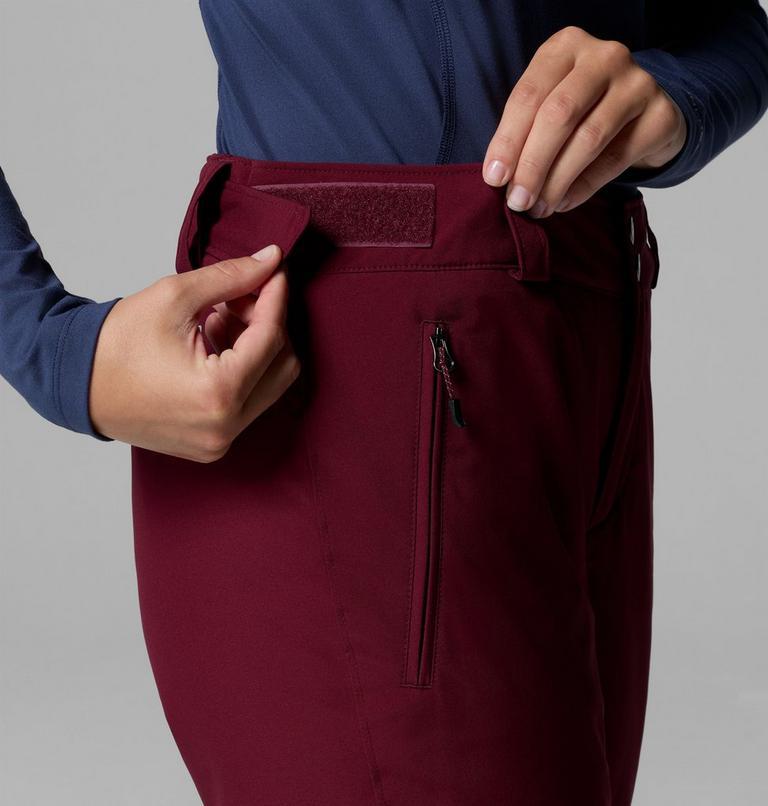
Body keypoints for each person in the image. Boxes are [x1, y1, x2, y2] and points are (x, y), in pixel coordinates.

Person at [2, 2, 767, 804]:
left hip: (586, 347)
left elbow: (726, 27)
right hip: (339, 377)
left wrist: (675, 94)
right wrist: (46, 344)